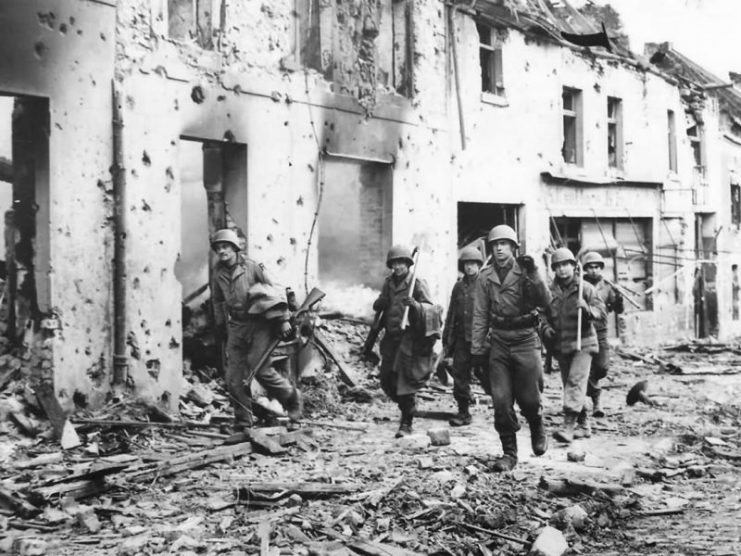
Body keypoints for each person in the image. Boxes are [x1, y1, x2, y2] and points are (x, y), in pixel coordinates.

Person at [471, 225, 551, 472]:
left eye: (504, 244)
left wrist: (535, 273)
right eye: (495, 245)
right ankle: (509, 453)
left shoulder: (526, 271)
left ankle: (536, 424)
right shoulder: (485, 277)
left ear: (514, 247)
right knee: (501, 401)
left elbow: (545, 301)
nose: (499, 248)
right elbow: (480, 314)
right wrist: (476, 349)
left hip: (526, 340)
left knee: (529, 398)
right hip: (500, 342)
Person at [210, 228, 300, 430]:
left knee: (260, 368)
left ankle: (291, 399)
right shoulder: (218, 272)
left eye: (225, 246)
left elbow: (276, 288)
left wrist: (284, 319)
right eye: (218, 248)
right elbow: (217, 300)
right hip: (236, 326)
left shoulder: (253, 266)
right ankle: (243, 421)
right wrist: (220, 326)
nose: (221, 251)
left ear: (234, 248)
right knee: (233, 377)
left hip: (260, 323)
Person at [373, 245, 440, 438]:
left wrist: (417, 306)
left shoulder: (417, 283)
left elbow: (430, 309)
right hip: (391, 338)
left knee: (405, 383)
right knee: (386, 381)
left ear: (408, 264)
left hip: (410, 339)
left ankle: (406, 422)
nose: (398, 267)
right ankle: (407, 407)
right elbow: (381, 302)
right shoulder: (389, 283)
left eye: (401, 263)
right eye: (395, 263)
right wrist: (379, 303)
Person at [542, 248, 605, 444]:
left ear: (573, 266)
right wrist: (544, 329)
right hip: (562, 345)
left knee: (575, 383)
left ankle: (568, 427)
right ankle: (584, 425)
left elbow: (601, 312)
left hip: (584, 343)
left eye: (565, 265)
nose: (562, 270)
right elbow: (541, 314)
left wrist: (588, 310)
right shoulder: (549, 292)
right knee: (570, 384)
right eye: (558, 266)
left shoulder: (585, 288)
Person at [442, 246, 485, 427]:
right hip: (462, 339)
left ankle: (504, 408)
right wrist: (447, 339)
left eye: (473, 263)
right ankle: (463, 412)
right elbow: (452, 313)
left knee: (489, 376)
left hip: (481, 339)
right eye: (467, 263)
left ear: (479, 265)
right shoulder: (458, 287)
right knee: (460, 376)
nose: (470, 267)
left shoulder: (485, 284)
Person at [582, 252, 624, 423]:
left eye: (597, 267)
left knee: (602, 368)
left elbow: (618, 309)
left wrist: (619, 296)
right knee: (584, 369)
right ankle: (596, 400)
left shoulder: (607, 287)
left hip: (600, 332)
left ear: (601, 268)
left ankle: (593, 390)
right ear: (585, 269)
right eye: (590, 267)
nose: (594, 270)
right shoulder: (579, 285)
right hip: (583, 331)